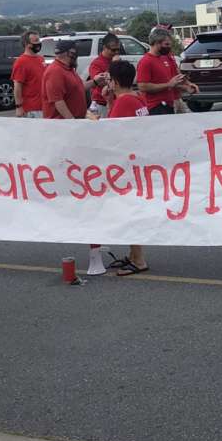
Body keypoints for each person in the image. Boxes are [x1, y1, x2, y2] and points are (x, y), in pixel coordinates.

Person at [97, 59, 151, 277]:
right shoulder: (136, 99)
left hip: (127, 166)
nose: (107, 82)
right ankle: (133, 254)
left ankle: (139, 259)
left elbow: (110, 132)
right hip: (136, 162)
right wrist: (109, 100)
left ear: (116, 81)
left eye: (109, 79)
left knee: (128, 211)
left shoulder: (124, 102)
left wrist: (94, 119)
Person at [137, 27, 195, 116]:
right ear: (156, 43)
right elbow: (142, 86)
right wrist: (168, 84)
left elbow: (173, 82)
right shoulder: (146, 61)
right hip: (155, 107)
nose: (169, 47)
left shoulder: (165, 58)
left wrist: (187, 87)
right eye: (166, 44)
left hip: (168, 104)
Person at [12, 31, 47, 118]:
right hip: (32, 109)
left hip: (45, 106)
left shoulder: (41, 59)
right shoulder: (21, 62)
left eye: (39, 40)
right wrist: (19, 107)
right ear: (27, 44)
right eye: (36, 41)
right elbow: (17, 86)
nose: (38, 43)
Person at [86, 33, 122, 116]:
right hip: (102, 104)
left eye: (118, 49)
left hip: (116, 101)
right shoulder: (96, 64)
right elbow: (101, 82)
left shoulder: (117, 60)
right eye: (113, 50)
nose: (116, 52)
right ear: (105, 48)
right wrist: (114, 65)